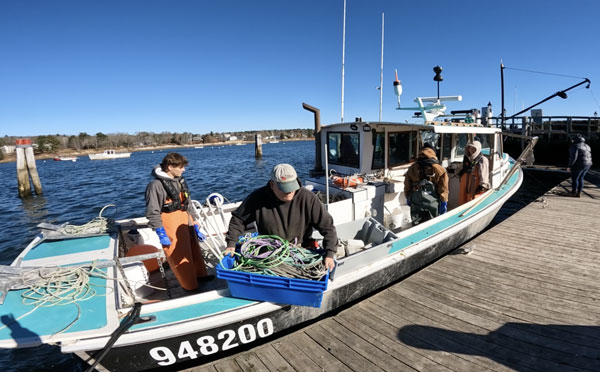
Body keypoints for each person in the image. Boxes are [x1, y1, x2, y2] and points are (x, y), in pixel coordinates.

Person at [225, 164, 337, 271]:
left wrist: (330, 253)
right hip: (269, 251)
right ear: (272, 185)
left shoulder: (308, 198)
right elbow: (238, 219)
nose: (289, 192)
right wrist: (231, 243)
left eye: (291, 187)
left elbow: (327, 226)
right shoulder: (258, 198)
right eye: (284, 188)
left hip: (300, 249)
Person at [145, 152, 211, 291]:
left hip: (185, 219)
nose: (183, 170)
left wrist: (194, 223)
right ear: (170, 167)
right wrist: (160, 231)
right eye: (180, 167)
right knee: (178, 255)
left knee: (194, 250)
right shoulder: (155, 186)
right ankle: (189, 286)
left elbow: (188, 203)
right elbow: (153, 211)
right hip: (170, 223)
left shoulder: (179, 181)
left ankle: (201, 276)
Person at [404, 145, 449, 225]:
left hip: (416, 200)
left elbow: (407, 184)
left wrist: (408, 197)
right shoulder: (439, 169)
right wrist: (444, 201)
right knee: (432, 224)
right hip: (432, 201)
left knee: (416, 224)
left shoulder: (412, 167)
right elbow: (443, 188)